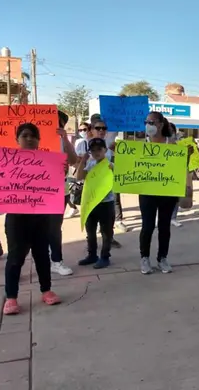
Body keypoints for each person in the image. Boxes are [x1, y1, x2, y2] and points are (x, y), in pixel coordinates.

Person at [0, 123, 61, 314]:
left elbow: (62, 173)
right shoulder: (6, 162)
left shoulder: (48, 162)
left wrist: (61, 168)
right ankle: (11, 298)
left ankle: (46, 291)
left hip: (41, 218)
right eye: (25, 135)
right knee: (15, 258)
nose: (29, 139)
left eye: (33, 136)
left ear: (39, 140)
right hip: (17, 219)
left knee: (42, 256)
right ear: (17, 139)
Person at [139, 112, 184, 274]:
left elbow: (179, 167)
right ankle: (144, 258)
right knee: (147, 226)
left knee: (164, 226)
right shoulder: (141, 145)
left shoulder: (172, 145)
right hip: (147, 191)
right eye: (146, 122)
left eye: (151, 122)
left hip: (167, 191)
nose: (148, 125)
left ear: (160, 124)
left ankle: (162, 258)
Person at [75, 114, 122, 248]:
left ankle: (108, 243)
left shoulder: (110, 144)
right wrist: (83, 160)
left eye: (104, 128)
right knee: (91, 226)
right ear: (91, 129)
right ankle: (92, 248)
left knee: (107, 223)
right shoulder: (84, 144)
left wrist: (117, 154)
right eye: (98, 128)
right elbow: (78, 171)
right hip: (90, 193)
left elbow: (119, 168)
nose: (101, 130)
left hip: (107, 193)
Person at [75, 137, 115, 269]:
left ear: (105, 150)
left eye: (99, 149)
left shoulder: (110, 165)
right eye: (93, 150)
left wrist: (113, 169)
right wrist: (83, 160)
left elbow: (119, 179)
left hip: (106, 203)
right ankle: (92, 255)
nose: (96, 152)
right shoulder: (90, 165)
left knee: (106, 232)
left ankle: (105, 257)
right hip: (91, 203)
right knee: (90, 231)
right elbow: (79, 177)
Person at [49, 111, 78, 276]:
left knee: (54, 228)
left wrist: (65, 139)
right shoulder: (32, 138)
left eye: (58, 123)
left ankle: (56, 261)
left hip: (59, 190)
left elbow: (73, 160)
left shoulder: (63, 141)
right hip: (35, 191)